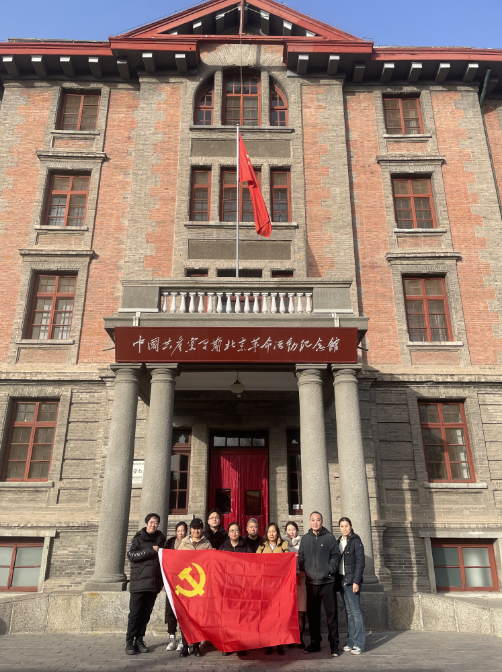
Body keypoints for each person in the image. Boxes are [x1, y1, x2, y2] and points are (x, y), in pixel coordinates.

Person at [298, 511, 341, 657]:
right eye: (313, 520)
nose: (315, 522)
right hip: (311, 584)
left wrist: (330, 570)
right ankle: (315, 643)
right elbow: (301, 557)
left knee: (331, 616)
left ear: (322, 521)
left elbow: (336, 555)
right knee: (313, 616)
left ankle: (334, 645)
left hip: (327, 583)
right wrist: (301, 568)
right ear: (310, 522)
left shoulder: (329, 538)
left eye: (318, 520)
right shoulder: (305, 539)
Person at [125, 513, 166, 655]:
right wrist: (150, 551)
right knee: (135, 614)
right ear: (147, 523)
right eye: (151, 522)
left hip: (153, 585)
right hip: (139, 583)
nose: (153, 525)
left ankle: (139, 640)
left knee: (146, 615)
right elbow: (131, 555)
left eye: (156, 522)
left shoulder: (161, 540)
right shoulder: (138, 538)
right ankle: (129, 642)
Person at [177, 518, 212, 658]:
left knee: (198, 617)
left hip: (200, 585)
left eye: (198, 528)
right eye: (194, 528)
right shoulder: (183, 544)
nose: (196, 531)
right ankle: (186, 645)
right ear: (190, 529)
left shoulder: (207, 544)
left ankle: (196, 646)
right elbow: (175, 561)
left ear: (201, 530)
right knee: (185, 617)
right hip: (186, 587)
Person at [219, 522, 252, 657]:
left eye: (236, 530)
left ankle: (241, 644)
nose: (234, 533)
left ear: (240, 532)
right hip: (227, 588)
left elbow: (251, 565)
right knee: (228, 617)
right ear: (228, 533)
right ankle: (227, 645)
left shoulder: (246, 547)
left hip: (241, 587)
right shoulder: (223, 547)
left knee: (241, 616)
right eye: (232, 530)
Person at [256, 522, 289, 656]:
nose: (271, 534)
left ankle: (280, 643)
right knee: (267, 615)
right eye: (269, 531)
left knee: (279, 615)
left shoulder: (284, 545)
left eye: (274, 531)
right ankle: (268, 643)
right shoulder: (262, 546)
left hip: (280, 585)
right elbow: (256, 563)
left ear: (278, 533)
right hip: (266, 586)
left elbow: (288, 561)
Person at [337, 517, 366, 655]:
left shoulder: (356, 541)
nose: (344, 528)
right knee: (349, 612)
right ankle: (350, 641)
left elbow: (360, 562)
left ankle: (359, 643)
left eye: (346, 526)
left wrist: (356, 581)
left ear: (351, 526)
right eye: (342, 526)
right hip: (342, 580)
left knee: (356, 612)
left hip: (352, 581)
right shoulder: (339, 541)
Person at [165, 522, 188, 652]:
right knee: (171, 609)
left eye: (183, 531)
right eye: (178, 531)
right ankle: (171, 636)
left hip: (184, 583)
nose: (180, 533)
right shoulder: (170, 543)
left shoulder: (188, 544)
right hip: (171, 581)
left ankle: (182, 638)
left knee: (182, 610)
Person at [285, 521, 306, 649]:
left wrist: (303, 570)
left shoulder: (302, 544)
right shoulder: (283, 544)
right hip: (287, 581)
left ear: (297, 530)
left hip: (300, 580)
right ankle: (289, 636)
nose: (291, 532)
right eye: (289, 529)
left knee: (300, 608)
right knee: (289, 608)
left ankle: (300, 636)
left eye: (293, 529)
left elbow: (307, 559)